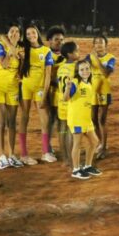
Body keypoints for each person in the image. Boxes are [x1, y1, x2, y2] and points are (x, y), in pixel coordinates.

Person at [17, 25, 55, 165]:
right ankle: (24, 154)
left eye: (33, 32)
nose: (31, 35)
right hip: (26, 87)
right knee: (24, 118)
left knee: (44, 120)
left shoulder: (46, 51)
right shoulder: (24, 50)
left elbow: (48, 75)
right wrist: (20, 59)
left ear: (37, 33)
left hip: (40, 89)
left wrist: (44, 95)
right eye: (27, 34)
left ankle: (45, 152)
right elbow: (20, 71)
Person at [0, 22, 24, 169]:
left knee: (12, 122)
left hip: (13, 88)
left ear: (20, 35)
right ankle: (2, 156)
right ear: (8, 34)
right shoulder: (0, 45)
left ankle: (11, 155)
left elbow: (21, 71)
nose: (14, 33)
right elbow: (4, 64)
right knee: (1, 122)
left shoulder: (21, 49)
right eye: (11, 31)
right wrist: (11, 49)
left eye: (17, 31)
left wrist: (21, 59)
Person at [65, 59, 102, 180]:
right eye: (82, 69)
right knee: (77, 143)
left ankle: (87, 166)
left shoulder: (89, 83)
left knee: (94, 141)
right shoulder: (75, 83)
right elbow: (66, 98)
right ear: (77, 71)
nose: (85, 71)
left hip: (86, 119)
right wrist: (67, 88)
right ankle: (75, 169)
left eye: (87, 69)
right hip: (76, 118)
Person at [87, 34, 116, 159]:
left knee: (102, 119)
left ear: (106, 44)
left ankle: (104, 146)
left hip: (104, 90)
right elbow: (81, 69)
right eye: (96, 42)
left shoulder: (111, 58)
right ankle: (100, 142)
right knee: (93, 118)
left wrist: (96, 60)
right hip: (93, 90)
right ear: (93, 45)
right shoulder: (89, 57)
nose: (98, 45)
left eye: (101, 42)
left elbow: (106, 72)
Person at [55, 41, 80, 167]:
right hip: (71, 103)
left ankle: (65, 158)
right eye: (77, 51)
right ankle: (71, 160)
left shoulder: (61, 68)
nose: (78, 54)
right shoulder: (75, 68)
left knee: (63, 130)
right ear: (70, 54)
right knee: (70, 131)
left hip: (61, 102)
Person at [44, 26, 65, 162]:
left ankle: (63, 147)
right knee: (50, 121)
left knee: (62, 122)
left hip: (63, 95)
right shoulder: (47, 55)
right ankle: (47, 148)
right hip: (51, 93)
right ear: (49, 41)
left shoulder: (66, 54)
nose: (59, 42)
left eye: (62, 40)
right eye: (56, 40)